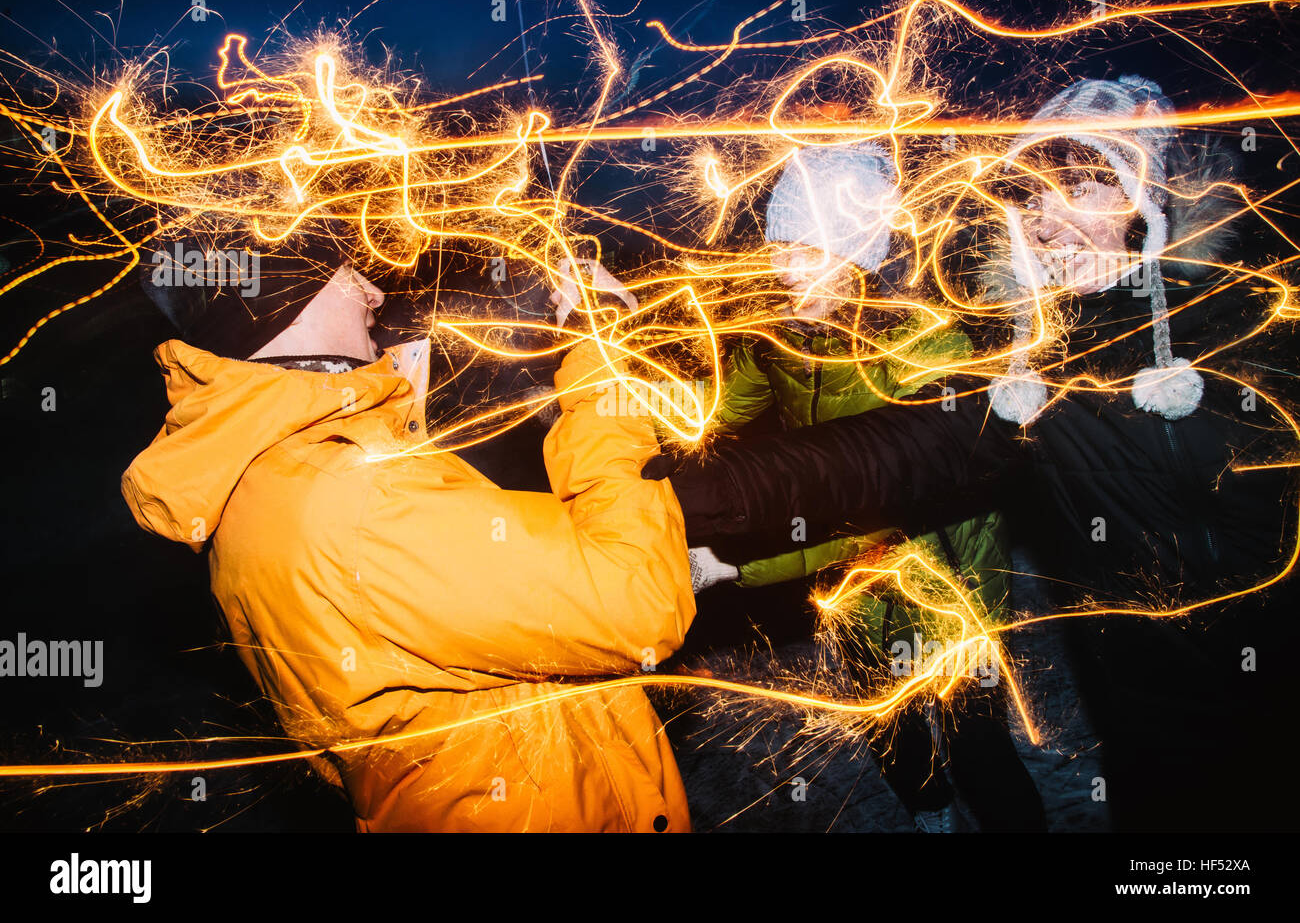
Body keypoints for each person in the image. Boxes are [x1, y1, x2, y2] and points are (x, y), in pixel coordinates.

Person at [649, 75, 1296, 829]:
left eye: (1087, 183)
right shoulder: (1033, 366)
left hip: (1257, 698)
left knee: (984, 742)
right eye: (1033, 195)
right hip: (1136, 704)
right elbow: (891, 456)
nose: (1049, 221)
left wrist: (739, 557)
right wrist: (687, 496)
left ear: (1147, 198)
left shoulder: (1251, 338)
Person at [124, 232, 696, 831]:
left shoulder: (257, 478)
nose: (373, 291)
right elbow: (638, 599)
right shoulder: (357, 500)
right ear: (282, 309)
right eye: (344, 275)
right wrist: (598, 360)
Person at [687, 141, 1044, 831]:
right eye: (781, 246)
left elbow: (874, 508)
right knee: (892, 732)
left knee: (979, 752)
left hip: (945, 590)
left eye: (812, 252)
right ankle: (931, 819)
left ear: (861, 258)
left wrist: (733, 561)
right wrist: (604, 370)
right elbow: (708, 409)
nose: (788, 271)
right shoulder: (778, 339)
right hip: (852, 592)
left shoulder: (924, 353)